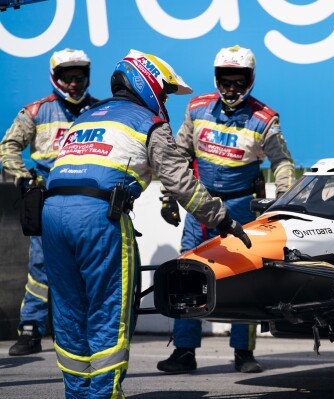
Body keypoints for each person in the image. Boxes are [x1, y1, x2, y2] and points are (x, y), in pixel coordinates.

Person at [41, 49, 251, 399]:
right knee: (110, 311)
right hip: (97, 218)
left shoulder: (87, 117)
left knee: (68, 311)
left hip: (51, 216)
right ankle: (105, 394)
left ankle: (77, 393)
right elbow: (181, 183)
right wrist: (223, 219)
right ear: (149, 83)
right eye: (165, 91)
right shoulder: (148, 122)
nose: (166, 99)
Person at [157, 45, 295, 374]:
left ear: (250, 81)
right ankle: (184, 350)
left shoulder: (265, 117)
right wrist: (167, 196)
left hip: (242, 207)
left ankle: (243, 352)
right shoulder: (197, 107)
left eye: (239, 82)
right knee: (186, 276)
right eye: (225, 81)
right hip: (200, 204)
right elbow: (176, 157)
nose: (231, 89)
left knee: (243, 276)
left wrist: (287, 200)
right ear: (216, 79)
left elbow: (283, 162)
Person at [0, 48, 97, 356]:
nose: (74, 84)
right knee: (41, 267)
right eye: (67, 78)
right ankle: (30, 330)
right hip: (48, 201)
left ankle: (82, 330)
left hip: (89, 202)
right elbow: (8, 147)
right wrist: (24, 178)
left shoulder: (101, 110)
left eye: (79, 77)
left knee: (86, 269)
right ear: (56, 78)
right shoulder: (36, 111)